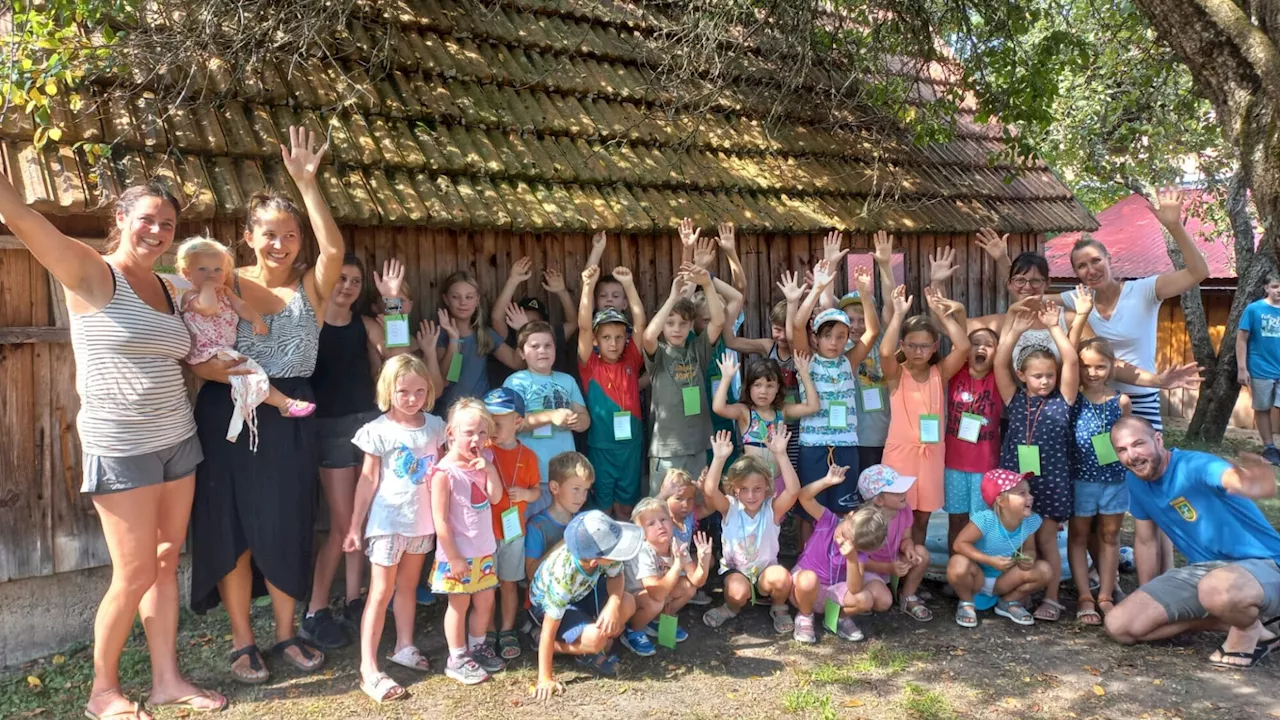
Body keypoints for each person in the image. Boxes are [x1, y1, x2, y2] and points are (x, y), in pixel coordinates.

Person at [0, 175, 227, 718]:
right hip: (122, 444)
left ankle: (167, 681)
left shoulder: (172, 287)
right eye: (147, 218)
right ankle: (103, 691)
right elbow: (24, 219)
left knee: (168, 561)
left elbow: (216, 310)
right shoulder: (90, 272)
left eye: (167, 224)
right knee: (134, 574)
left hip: (178, 438)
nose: (157, 230)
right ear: (120, 219)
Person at [188, 127, 345, 685]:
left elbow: (335, 249)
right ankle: (242, 640)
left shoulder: (314, 286)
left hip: (291, 412)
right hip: (227, 413)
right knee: (229, 525)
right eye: (269, 235)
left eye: (289, 235)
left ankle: (285, 633)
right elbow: (196, 343)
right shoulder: (224, 282)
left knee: (285, 522)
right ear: (249, 236)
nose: (280, 244)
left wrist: (307, 183)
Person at [304, 254, 428, 647]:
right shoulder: (311, 322)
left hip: (370, 428)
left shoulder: (366, 324)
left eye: (356, 281)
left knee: (367, 518)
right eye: (341, 278)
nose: (347, 286)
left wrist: (392, 299)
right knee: (344, 525)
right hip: (330, 430)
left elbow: (398, 355)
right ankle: (315, 610)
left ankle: (355, 601)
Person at [1106, 416, 1280, 669]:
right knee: (1119, 625)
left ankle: (1247, 628)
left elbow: (1226, 476)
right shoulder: (1135, 482)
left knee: (1215, 588)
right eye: (1122, 450)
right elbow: (1145, 542)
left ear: (1158, 439)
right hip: (1202, 572)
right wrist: (1148, 592)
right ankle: (1243, 624)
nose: (1132, 455)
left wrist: (1249, 484)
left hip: (1265, 563)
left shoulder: (1194, 465)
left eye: (1138, 444)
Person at [342, 355, 444, 703]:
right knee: (380, 592)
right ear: (388, 390)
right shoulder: (378, 430)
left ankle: (404, 645)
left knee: (408, 587)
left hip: (422, 523)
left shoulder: (435, 426)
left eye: (419, 391)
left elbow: (444, 470)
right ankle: (368, 668)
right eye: (404, 391)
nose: (412, 398)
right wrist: (355, 526)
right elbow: (368, 479)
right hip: (387, 524)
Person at [175, 237, 314, 451]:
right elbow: (209, 308)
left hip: (224, 349)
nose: (211, 275)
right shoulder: (191, 297)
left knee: (244, 375)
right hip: (206, 350)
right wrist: (210, 287)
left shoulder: (225, 293)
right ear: (187, 273)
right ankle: (284, 404)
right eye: (202, 269)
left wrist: (256, 319)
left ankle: (257, 406)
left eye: (217, 270)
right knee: (250, 371)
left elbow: (242, 307)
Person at [993, 302, 1079, 622]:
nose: (1044, 381)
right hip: (1017, 482)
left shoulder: (1063, 398)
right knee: (1017, 537)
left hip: (1052, 481)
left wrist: (1054, 326)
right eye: (1038, 376)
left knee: (1046, 540)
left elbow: (1070, 359)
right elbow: (1000, 362)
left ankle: (1052, 598)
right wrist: (1014, 330)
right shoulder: (1014, 398)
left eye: (1050, 375)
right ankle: (1022, 590)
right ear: (1022, 375)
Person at [790, 260, 880, 536]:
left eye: (840, 336)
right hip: (813, 446)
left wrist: (865, 296)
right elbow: (796, 325)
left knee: (845, 508)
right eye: (827, 336)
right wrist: (817, 289)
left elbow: (873, 332)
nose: (833, 342)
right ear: (816, 338)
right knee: (810, 511)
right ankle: (807, 563)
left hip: (845, 445)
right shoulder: (807, 359)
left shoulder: (849, 361)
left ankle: (841, 562)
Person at [880, 285, 971, 548]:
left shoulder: (938, 374)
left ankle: (910, 580)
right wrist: (898, 315)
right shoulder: (897, 374)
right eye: (912, 345)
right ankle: (889, 575)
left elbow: (963, 346)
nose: (918, 352)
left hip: (931, 455)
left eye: (924, 346)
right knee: (894, 516)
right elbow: (885, 353)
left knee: (921, 519)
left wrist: (942, 316)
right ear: (903, 345)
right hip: (900, 455)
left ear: (934, 347)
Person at [429, 398, 505, 684]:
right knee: (458, 605)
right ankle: (457, 656)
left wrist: (489, 470)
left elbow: (495, 498)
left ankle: (477, 646)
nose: (477, 439)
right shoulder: (444, 473)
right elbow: (441, 521)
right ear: (451, 433)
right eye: (469, 433)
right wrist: (455, 556)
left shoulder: (485, 464)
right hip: (458, 554)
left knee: (485, 602)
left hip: (484, 550)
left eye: (482, 433)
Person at [528, 510, 643, 699]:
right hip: (550, 607)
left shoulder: (601, 554)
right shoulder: (563, 577)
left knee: (627, 601)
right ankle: (554, 646)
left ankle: (588, 644)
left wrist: (613, 606)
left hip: (583, 592)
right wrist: (545, 678)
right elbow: (550, 627)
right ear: (596, 561)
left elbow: (617, 575)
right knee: (598, 640)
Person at [701, 428, 801, 633]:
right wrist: (719, 458)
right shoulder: (730, 507)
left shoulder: (772, 509)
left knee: (781, 578)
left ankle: (778, 606)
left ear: (767, 487)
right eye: (744, 489)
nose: (751, 495)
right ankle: (731, 608)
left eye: (757, 488)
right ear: (734, 489)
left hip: (766, 572)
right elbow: (710, 491)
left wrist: (781, 454)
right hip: (736, 571)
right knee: (737, 591)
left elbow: (793, 490)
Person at [643, 263, 725, 496]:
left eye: (682, 323)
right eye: (670, 323)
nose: (676, 329)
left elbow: (718, 323)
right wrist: (671, 299)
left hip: (697, 445)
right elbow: (648, 336)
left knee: (694, 503)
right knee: (664, 503)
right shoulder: (658, 353)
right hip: (667, 450)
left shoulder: (697, 350)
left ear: (691, 325)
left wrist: (707, 284)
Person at [1066, 338, 1131, 626]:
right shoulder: (1071, 398)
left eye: (1100, 366)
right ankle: (1084, 595)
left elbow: (1128, 440)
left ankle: (1106, 593)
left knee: (1110, 535)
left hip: (1115, 480)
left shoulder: (1121, 401)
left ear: (1112, 366)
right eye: (1086, 366)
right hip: (1081, 480)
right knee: (1079, 535)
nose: (1093, 373)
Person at [577, 265, 647, 518]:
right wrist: (587, 287)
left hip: (631, 445)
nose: (613, 343)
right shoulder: (590, 364)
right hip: (600, 446)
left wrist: (628, 285)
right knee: (602, 507)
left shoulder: (630, 360)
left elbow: (640, 323)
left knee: (627, 506)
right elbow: (585, 327)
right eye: (606, 337)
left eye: (619, 337)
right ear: (596, 340)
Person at [503, 320, 589, 517]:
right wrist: (551, 416)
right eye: (535, 346)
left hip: (567, 474)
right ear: (522, 353)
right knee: (535, 528)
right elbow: (512, 425)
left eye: (548, 345)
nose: (542, 350)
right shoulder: (515, 381)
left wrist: (577, 422)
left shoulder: (567, 380)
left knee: (563, 531)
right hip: (533, 475)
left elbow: (585, 420)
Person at [947, 469, 1053, 628]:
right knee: (957, 562)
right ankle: (966, 602)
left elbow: (1029, 549)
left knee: (1044, 569)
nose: (1030, 497)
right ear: (1001, 501)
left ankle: (1009, 601)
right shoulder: (986, 520)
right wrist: (988, 560)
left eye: (1029, 492)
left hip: (1005, 581)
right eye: (1022, 493)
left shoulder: (1029, 521)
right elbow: (959, 544)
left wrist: (1028, 558)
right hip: (977, 579)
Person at [481, 388, 542, 661]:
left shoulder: (528, 456)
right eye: (489, 420)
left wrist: (527, 495)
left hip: (513, 532)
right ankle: (487, 628)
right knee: (485, 585)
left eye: (500, 421)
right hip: (484, 534)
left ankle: (507, 628)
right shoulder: (482, 452)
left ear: (518, 422)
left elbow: (537, 490)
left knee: (508, 582)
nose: (493, 427)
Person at [790, 466, 878, 642]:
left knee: (865, 599)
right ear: (849, 516)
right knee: (808, 579)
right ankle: (805, 616)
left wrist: (852, 559)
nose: (843, 542)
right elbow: (804, 497)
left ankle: (840, 618)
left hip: (833, 593)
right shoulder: (828, 520)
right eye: (845, 534)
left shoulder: (857, 553)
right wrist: (826, 482)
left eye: (853, 543)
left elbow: (854, 589)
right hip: (804, 589)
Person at [712, 354, 820, 498]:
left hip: (777, 482)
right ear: (749, 387)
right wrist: (726, 378)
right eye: (757, 385)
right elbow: (718, 407)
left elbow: (813, 407)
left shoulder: (782, 411)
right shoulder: (745, 412)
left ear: (778, 388)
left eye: (770, 386)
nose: (763, 391)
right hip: (752, 485)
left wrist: (805, 375)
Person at [620, 499, 714, 655]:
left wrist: (703, 562)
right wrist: (677, 566)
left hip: (657, 594)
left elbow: (697, 581)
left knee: (688, 588)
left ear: (671, 522)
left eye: (663, 519)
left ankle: (656, 621)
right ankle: (633, 630)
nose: (659, 526)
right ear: (641, 533)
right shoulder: (644, 551)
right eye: (651, 524)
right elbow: (655, 593)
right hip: (633, 599)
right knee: (655, 602)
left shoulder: (675, 543)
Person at [944, 327, 1004, 552]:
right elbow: (957, 339)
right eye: (975, 343)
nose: (981, 348)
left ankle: (979, 573)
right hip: (953, 464)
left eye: (988, 345)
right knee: (956, 521)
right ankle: (956, 569)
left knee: (981, 523)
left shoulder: (999, 378)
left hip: (985, 465)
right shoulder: (954, 374)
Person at [434, 271, 521, 413]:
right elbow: (448, 379)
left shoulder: (485, 334)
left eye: (469, 297)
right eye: (456, 297)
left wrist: (522, 331)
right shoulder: (438, 334)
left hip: (480, 415)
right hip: (448, 415)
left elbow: (516, 362)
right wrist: (454, 341)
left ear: (477, 300)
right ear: (446, 298)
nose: (463, 302)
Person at [859, 464, 932, 622]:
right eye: (897, 491)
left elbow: (906, 538)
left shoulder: (904, 510)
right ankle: (864, 596)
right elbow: (859, 561)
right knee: (883, 602)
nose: (904, 493)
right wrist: (888, 568)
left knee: (921, 554)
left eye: (903, 489)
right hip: (869, 569)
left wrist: (909, 548)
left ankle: (907, 596)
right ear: (879, 499)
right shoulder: (866, 521)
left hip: (892, 562)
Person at [491, 255, 580, 378]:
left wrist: (562, 291)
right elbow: (496, 317)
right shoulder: (509, 337)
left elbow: (573, 322)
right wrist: (513, 280)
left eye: (533, 322)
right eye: (523, 318)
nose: (527, 324)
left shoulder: (551, 336)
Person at [524, 452, 596, 581]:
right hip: (548, 597)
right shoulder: (537, 526)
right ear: (554, 487)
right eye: (576, 489)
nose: (582, 497)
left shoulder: (584, 522)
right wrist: (564, 543)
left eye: (586, 490)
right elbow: (531, 574)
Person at [1236, 273, 1280, 466]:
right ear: (1266, 288)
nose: (1278, 291)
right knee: (1262, 408)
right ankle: (1270, 448)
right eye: (1275, 286)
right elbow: (1241, 339)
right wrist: (1242, 368)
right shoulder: (1254, 309)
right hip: (1261, 367)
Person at [656, 468, 717, 606]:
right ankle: (666, 606)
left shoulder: (689, 516)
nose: (685, 505)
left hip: (684, 560)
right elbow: (645, 511)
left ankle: (686, 593)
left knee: (710, 560)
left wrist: (703, 490)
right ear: (666, 497)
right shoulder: (661, 519)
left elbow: (710, 508)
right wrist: (663, 494)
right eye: (679, 499)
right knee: (689, 587)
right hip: (665, 570)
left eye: (690, 499)